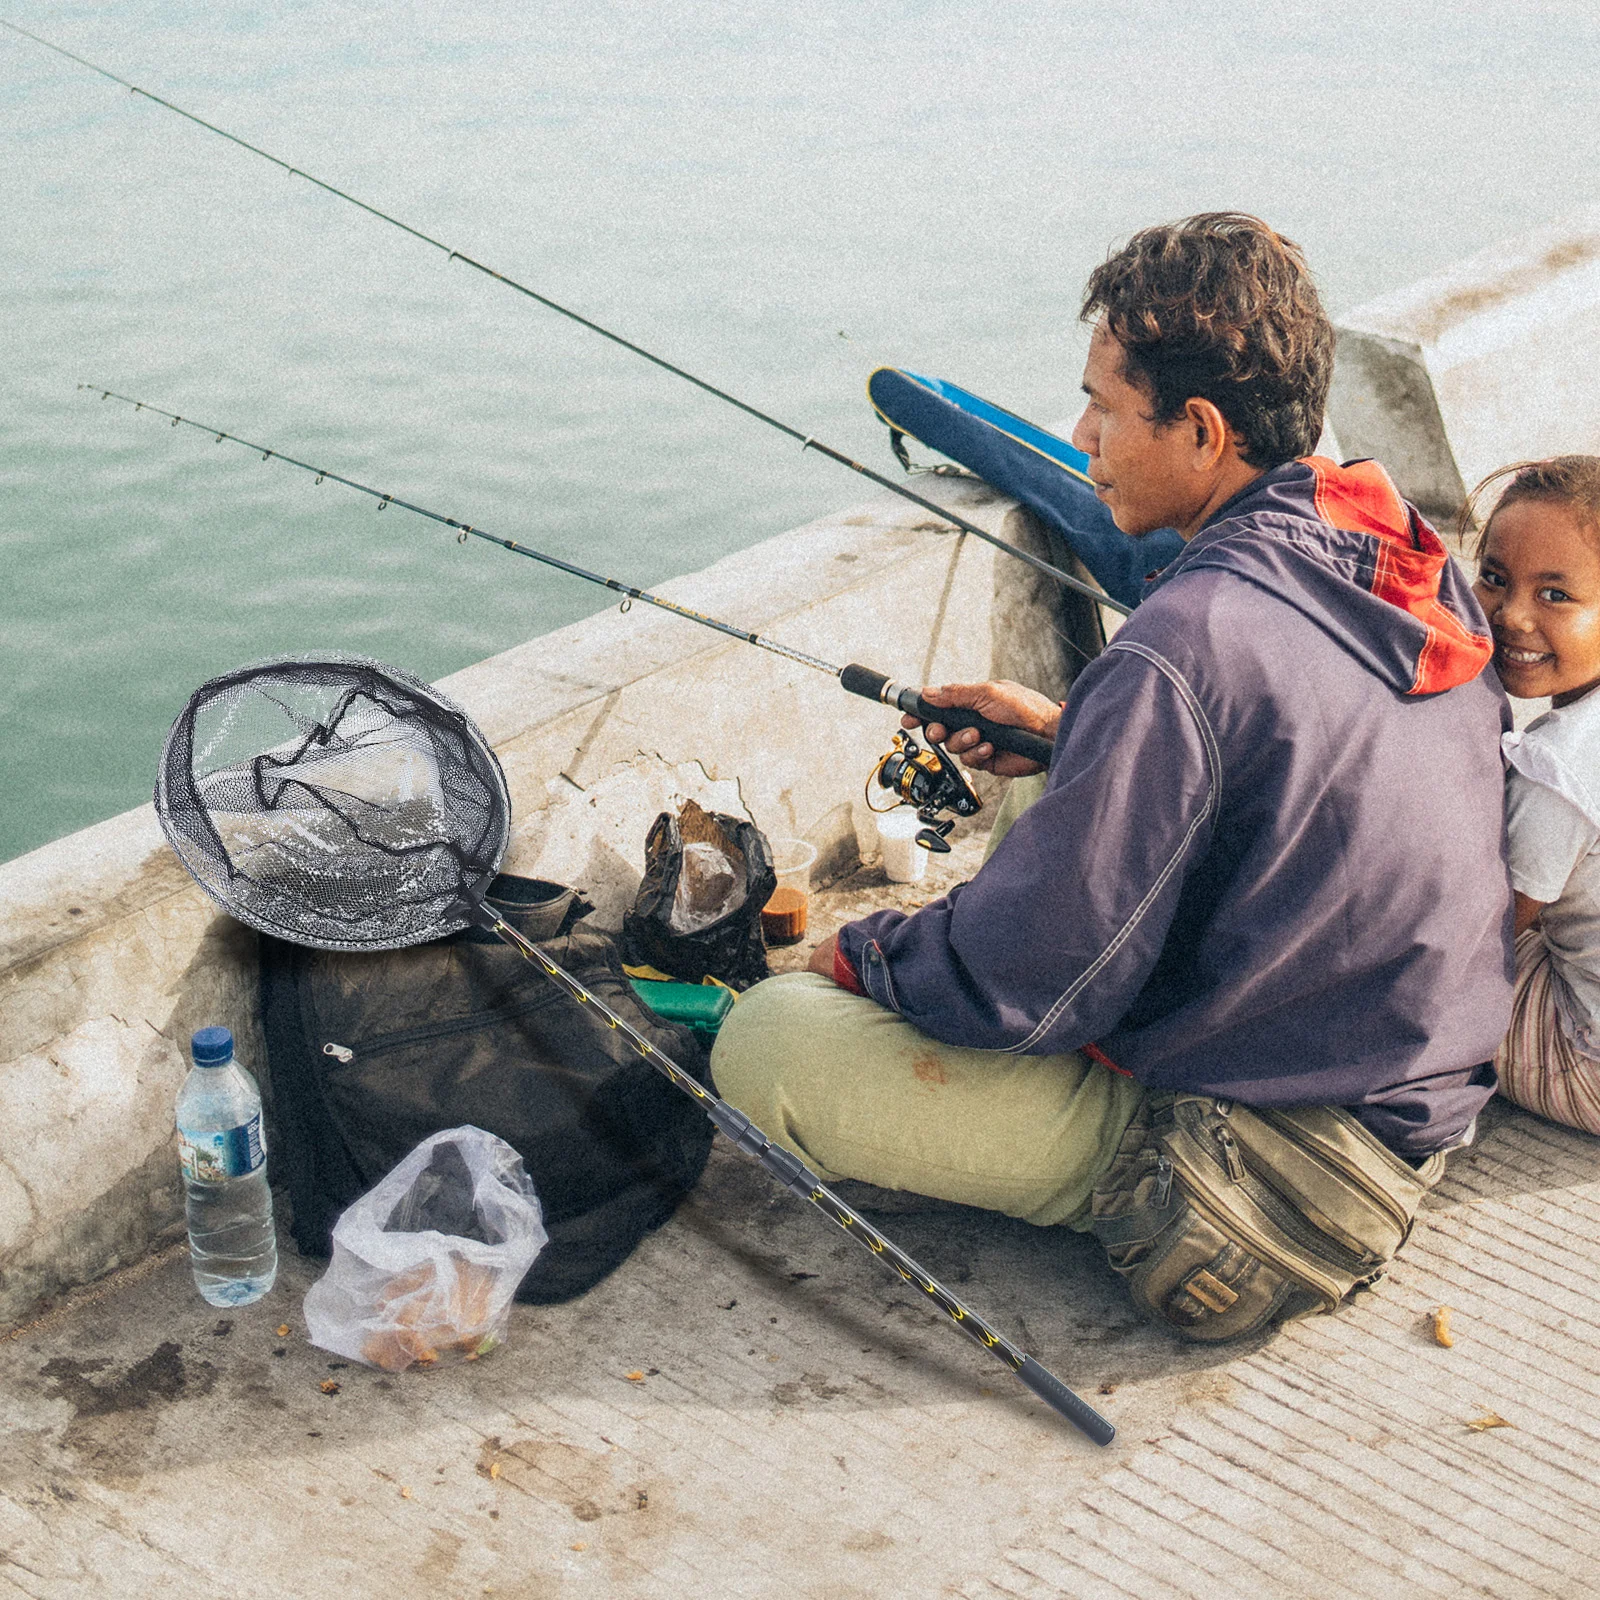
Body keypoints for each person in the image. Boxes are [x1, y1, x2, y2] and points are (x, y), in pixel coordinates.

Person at [710, 213, 1511, 1248]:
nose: (1082, 437)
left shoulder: (1183, 644)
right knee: (1067, 784)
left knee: (768, 1040)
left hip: (1273, 1166)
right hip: (1411, 1085)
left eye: (1103, 407)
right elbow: (1295, 767)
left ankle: (1101, 1178)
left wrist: (861, 956)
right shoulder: (1393, 548)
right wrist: (1076, 733)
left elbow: (1029, 972)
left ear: (1201, 432)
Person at [1471, 456, 1600, 1135]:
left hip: (1585, 1059)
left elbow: (1481, 937)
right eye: (1493, 579)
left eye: (1555, 595)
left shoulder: (1561, 767)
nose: (1511, 616)